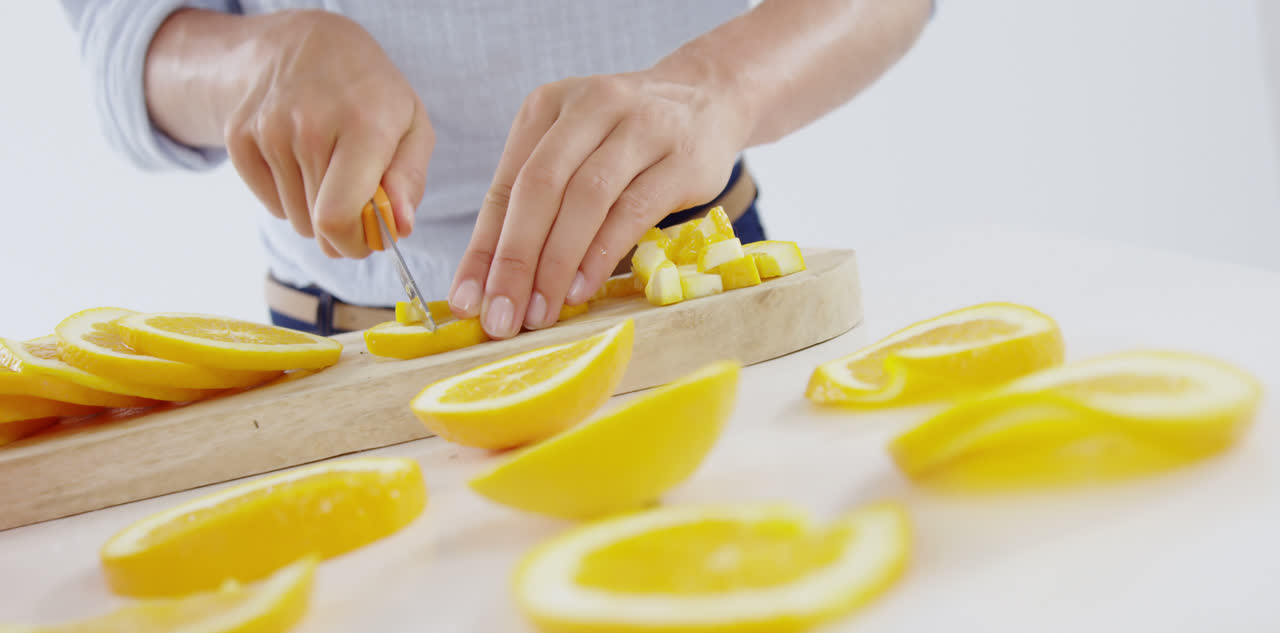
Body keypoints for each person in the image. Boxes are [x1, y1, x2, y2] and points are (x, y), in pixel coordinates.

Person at [59, 1, 933, 338]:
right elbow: (118, 25)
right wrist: (252, 62)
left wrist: (720, 83)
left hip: (690, 286)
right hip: (339, 345)